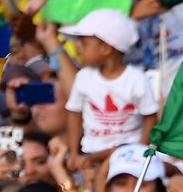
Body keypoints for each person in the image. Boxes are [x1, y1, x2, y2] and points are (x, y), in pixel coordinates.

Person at [61, 9, 158, 168]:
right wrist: (74, 153)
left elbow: (150, 117)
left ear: (106, 49)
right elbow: (74, 115)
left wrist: (140, 150)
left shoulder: (136, 79)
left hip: (128, 155)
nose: (79, 48)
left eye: (84, 44)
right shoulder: (83, 78)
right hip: (91, 154)